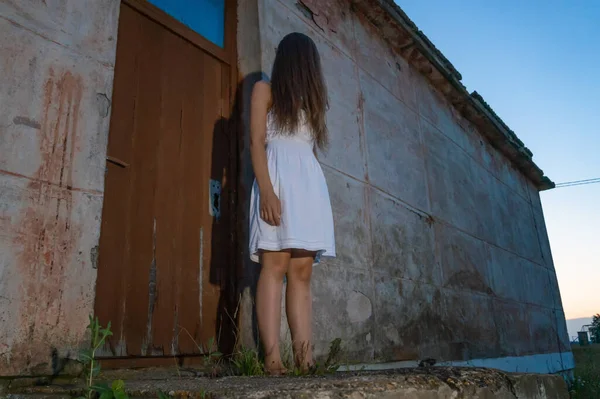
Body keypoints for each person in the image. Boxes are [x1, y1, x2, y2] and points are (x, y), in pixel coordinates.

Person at [249, 32, 336, 375]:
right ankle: (272, 359)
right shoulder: (264, 90)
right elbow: (256, 143)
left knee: (301, 272)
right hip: (277, 184)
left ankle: (306, 359)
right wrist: (267, 192)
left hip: (309, 189)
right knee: (274, 266)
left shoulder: (312, 105)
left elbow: (309, 153)